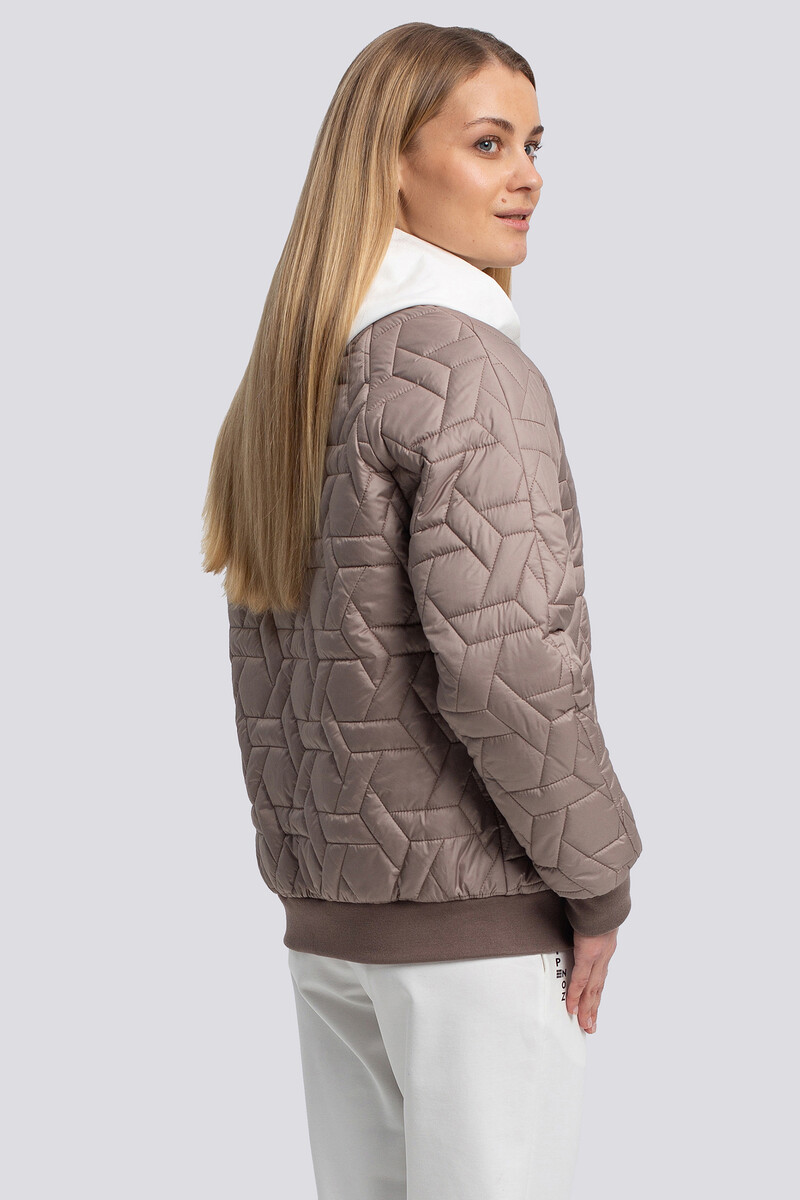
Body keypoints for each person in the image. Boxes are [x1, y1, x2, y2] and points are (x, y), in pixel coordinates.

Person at [201, 21, 643, 1200]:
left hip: (330, 927)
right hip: (471, 932)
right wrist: (598, 878)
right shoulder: (464, 366)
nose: (526, 175)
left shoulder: (297, 371)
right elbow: (505, 666)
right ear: (390, 164)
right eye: (487, 143)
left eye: (534, 145)